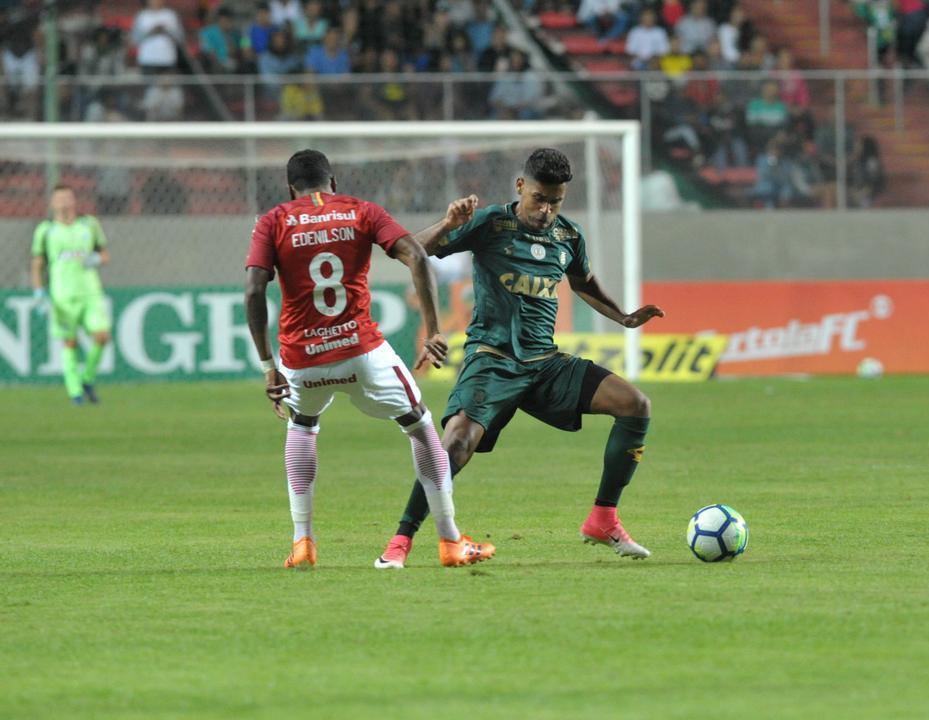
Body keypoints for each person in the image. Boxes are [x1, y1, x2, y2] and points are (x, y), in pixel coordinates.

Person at [377, 149, 665, 568]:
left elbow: (583, 282)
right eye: (538, 199)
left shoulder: (568, 235)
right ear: (520, 187)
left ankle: (603, 518)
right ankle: (400, 542)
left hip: (545, 364)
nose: (546, 210)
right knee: (455, 443)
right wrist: (449, 224)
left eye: (555, 201)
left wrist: (622, 315)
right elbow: (407, 250)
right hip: (491, 358)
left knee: (635, 405)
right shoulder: (491, 222)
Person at [243, 149, 495, 570]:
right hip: (361, 352)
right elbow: (416, 254)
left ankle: (303, 541)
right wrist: (433, 329)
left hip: (301, 360)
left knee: (302, 426)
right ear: (333, 182)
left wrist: (269, 365)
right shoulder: (361, 211)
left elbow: (253, 291)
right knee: (420, 424)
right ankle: (450, 540)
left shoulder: (273, 220)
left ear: (291, 188)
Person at [31, 185, 111, 405]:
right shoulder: (46, 231)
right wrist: (38, 291)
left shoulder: (89, 225)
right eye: (59, 198)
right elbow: (37, 264)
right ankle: (75, 391)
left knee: (102, 336)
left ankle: (88, 378)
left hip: (90, 291)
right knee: (70, 341)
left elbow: (104, 254)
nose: (64, 202)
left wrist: (96, 259)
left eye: (68, 197)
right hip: (63, 295)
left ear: (75, 200)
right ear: (52, 203)